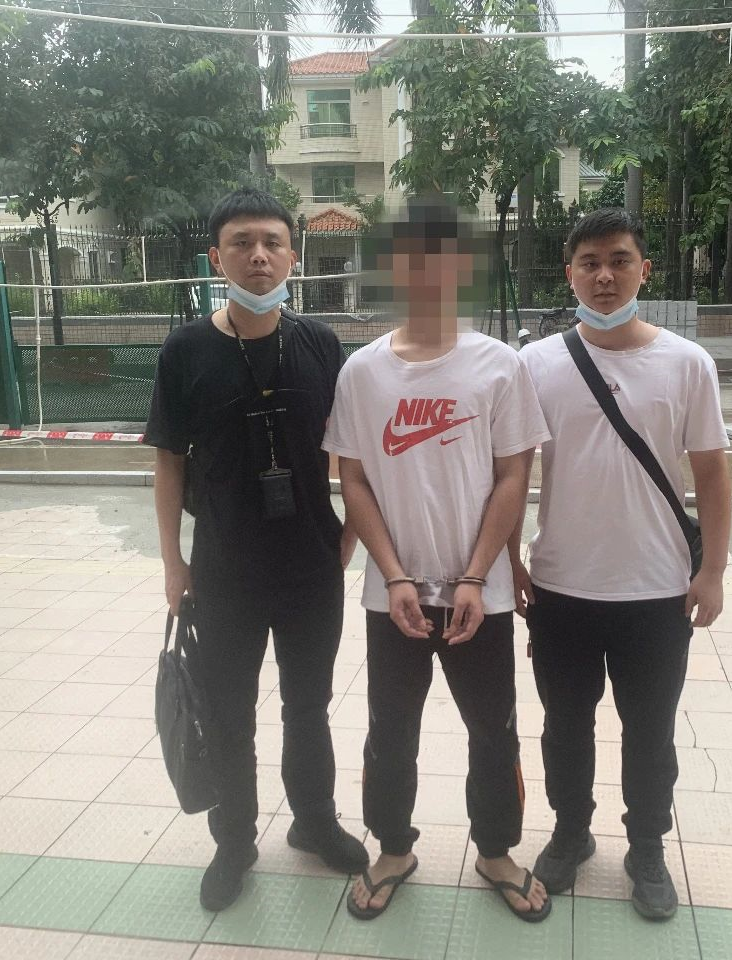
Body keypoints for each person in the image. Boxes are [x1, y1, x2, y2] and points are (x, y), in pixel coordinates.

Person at [323, 197, 553, 922]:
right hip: (391, 596)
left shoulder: (499, 366)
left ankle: (496, 851)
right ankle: (393, 848)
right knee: (390, 730)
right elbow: (353, 479)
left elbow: (514, 476)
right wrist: (393, 575)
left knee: (494, 728)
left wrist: (477, 575)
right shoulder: (361, 372)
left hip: (478, 596)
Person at [146, 187, 368, 913]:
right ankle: (234, 842)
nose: (259, 256)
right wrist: (174, 564)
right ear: (217, 257)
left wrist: (349, 536)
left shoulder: (320, 345)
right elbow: (168, 462)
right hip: (224, 569)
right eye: (242, 242)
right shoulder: (186, 349)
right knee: (230, 713)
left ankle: (314, 823)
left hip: (310, 567)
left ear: (293, 256)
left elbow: (354, 453)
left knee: (309, 707)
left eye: (272, 242)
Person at [515, 207, 732, 920]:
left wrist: (712, 572)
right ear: (570, 274)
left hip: (657, 590)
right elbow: (511, 472)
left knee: (650, 732)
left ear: (645, 269)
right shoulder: (537, 365)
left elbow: (712, 476)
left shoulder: (687, 363)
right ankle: (570, 833)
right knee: (565, 726)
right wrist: (510, 558)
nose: (604, 276)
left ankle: (646, 849)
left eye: (619, 260)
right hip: (561, 587)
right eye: (590, 263)